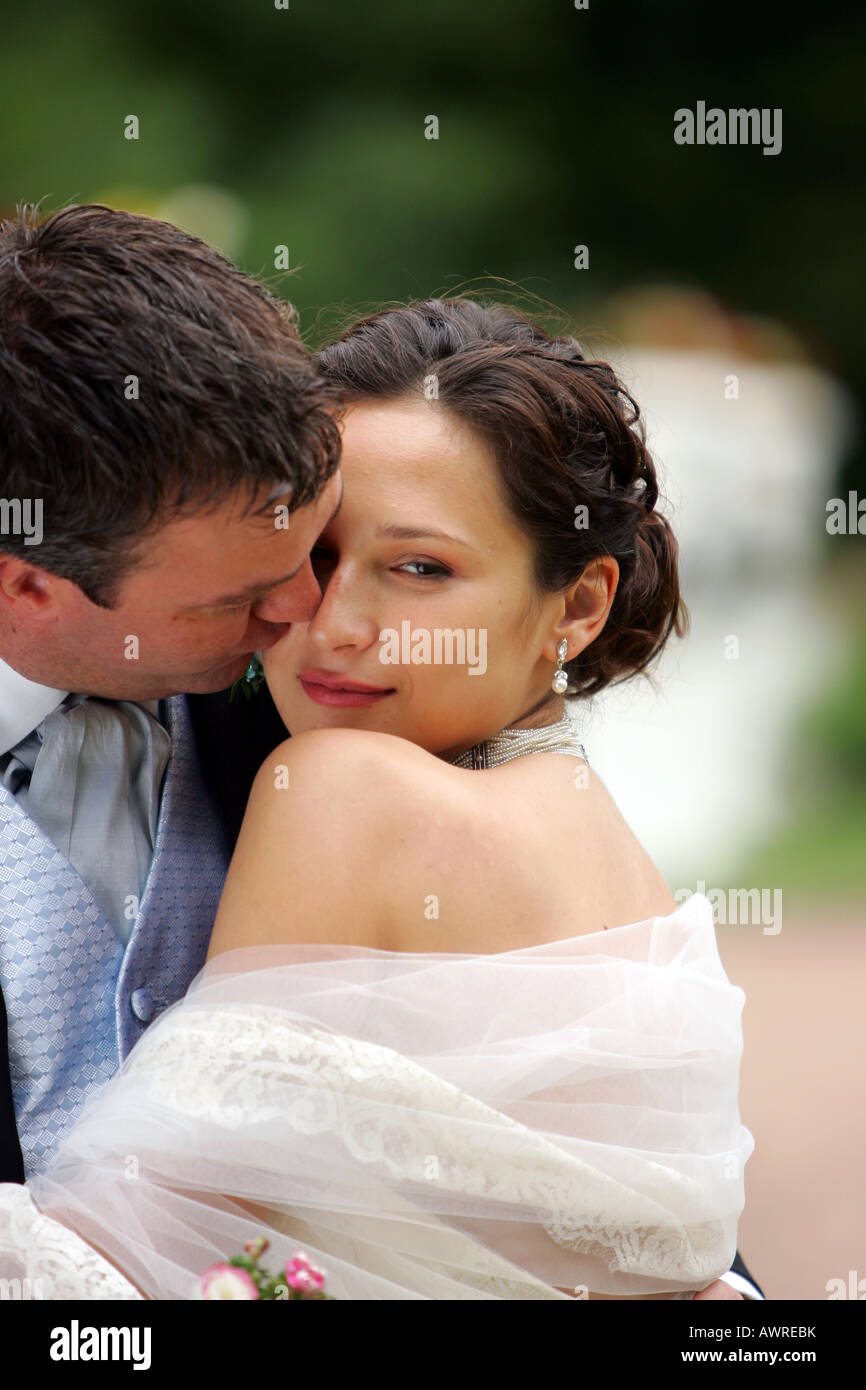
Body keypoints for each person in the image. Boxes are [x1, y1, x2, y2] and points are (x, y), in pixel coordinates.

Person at [0, 260, 761, 1296]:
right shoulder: (627, 878)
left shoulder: (331, 781)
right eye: (315, 552)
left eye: (419, 568)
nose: (324, 620)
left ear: (578, 605)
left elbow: (154, 1267)